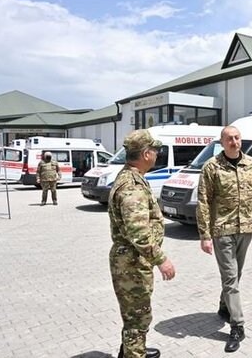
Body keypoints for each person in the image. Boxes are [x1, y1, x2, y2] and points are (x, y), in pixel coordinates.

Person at [196, 125, 252, 353]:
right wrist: (205, 235)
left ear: (241, 140)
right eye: (229, 139)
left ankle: (224, 306)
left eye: (237, 138)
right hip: (221, 231)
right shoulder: (211, 167)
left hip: (245, 229)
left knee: (235, 275)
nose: (234, 142)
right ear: (222, 142)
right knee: (230, 278)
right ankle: (237, 326)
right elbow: (203, 202)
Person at [108, 129, 176, 358]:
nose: (157, 154)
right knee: (138, 318)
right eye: (154, 150)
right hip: (132, 263)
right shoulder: (132, 186)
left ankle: (128, 351)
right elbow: (138, 232)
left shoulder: (132, 177)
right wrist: (162, 259)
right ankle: (134, 353)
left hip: (132, 261)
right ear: (146, 154)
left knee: (133, 316)